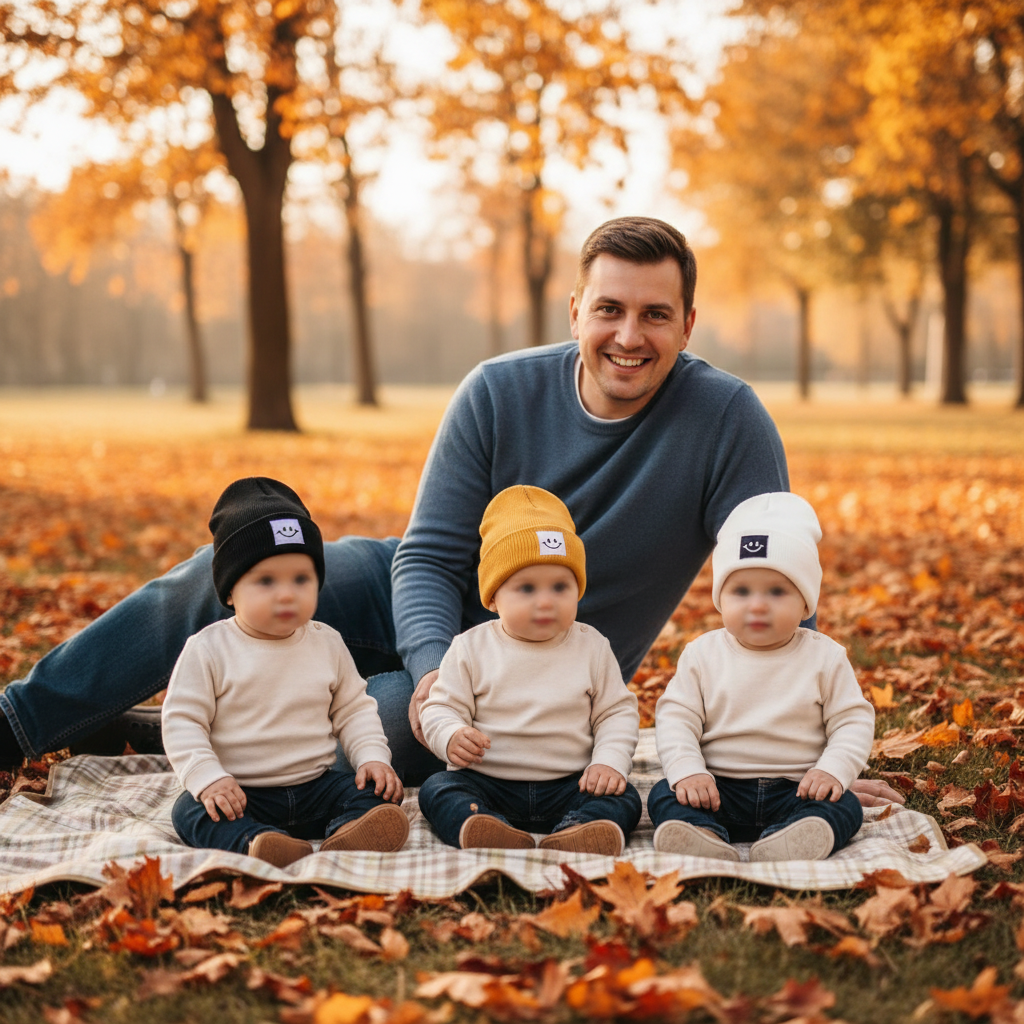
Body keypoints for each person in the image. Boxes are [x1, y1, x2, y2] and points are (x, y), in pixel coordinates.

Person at [0, 216, 901, 808]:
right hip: (412, 603)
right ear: (576, 308)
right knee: (223, 579)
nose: (631, 336)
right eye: (612, 310)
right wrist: (433, 664)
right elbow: (427, 556)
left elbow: (778, 581)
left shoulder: (725, 420)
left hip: (537, 667)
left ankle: (181, 733)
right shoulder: (498, 391)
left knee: (385, 732)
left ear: (689, 323)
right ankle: (22, 722)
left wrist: (817, 755)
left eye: (656, 315)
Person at [163, 477, 409, 868]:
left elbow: (353, 710)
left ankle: (348, 831)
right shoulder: (209, 649)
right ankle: (255, 841)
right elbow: (182, 720)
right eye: (266, 581)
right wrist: (208, 777)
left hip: (315, 786)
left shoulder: (326, 642)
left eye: (301, 579)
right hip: (242, 793)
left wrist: (371, 757)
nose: (286, 594)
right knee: (189, 810)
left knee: (374, 793)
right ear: (229, 592)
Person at [649, 492, 875, 861]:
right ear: (720, 598)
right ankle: (701, 833)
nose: (757, 605)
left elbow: (852, 720)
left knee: (845, 806)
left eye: (776, 591)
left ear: (805, 603)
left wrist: (832, 771)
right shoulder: (703, 655)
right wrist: (689, 772)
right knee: (665, 792)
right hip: (717, 790)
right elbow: (677, 718)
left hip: (798, 790)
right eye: (741, 591)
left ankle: (791, 838)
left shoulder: (825, 657)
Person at [417, 485, 641, 854]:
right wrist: (451, 735)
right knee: (438, 789)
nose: (545, 601)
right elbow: (440, 707)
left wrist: (608, 763)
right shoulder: (471, 647)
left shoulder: (591, 647)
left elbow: (615, 713)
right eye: (526, 588)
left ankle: (581, 829)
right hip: (487, 780)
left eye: (560, 586)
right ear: (492, 597)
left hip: (571, 782)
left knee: (624, 797)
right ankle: (483, 825)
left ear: (578, 589)